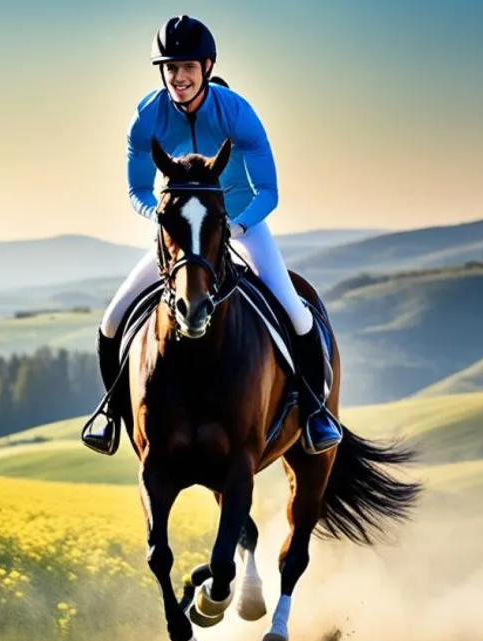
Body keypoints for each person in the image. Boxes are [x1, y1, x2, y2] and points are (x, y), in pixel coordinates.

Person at [95, 14, 342, 454]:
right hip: (184, 233)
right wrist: (163, 217)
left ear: (207, 67)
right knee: (112, 320)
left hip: (242, 222)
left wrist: (237, 225)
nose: (179, 77)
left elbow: (268, 190)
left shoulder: (237, 113)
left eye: (188, 67)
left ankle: (315, 413)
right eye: (171, 68)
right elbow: (135, 189)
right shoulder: (146, 118)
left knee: (297, 313)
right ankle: (112, 417)